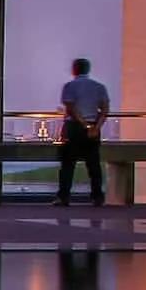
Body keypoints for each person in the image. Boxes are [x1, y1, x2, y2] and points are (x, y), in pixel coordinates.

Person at [56, 57, 110, 207]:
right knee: (93, 164)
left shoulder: (70, 86)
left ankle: (64, 197)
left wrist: (84, 125)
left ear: (74, 70)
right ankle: (97, 197)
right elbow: (105, 109)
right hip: (93, 128)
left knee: (68, 164)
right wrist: (95, 127)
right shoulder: (99, 87)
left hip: (74, 128)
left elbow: (71, 109)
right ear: (88, 69)